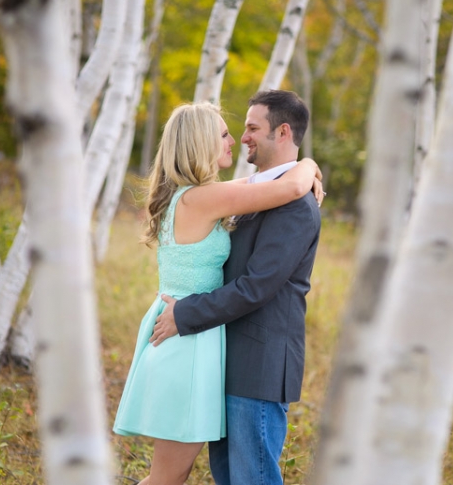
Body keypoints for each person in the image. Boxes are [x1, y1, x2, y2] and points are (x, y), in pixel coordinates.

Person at [112, 100, 323, 485]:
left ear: (282, 131)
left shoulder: (201, 194)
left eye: (244, 130)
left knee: (173, 476)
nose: (235, 140)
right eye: (224, 134)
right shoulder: (204, 198)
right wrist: (307, 166)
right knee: (167, 478)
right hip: (185, 339)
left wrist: (302, 165)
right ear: (199, 144)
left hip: (195, 337)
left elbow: (269, 184)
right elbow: (290, 184)